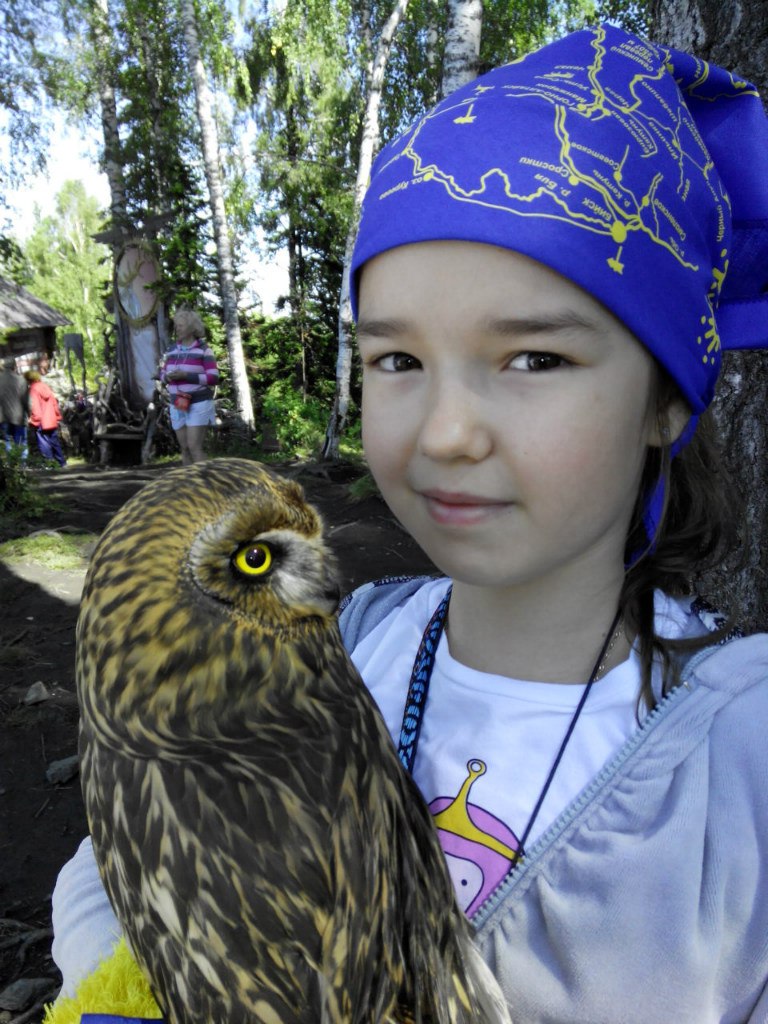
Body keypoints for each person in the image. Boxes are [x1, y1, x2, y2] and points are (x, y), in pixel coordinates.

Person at [51, 23, 768, 1023]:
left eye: (534, 359)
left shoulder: (741, 760)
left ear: (668, 400)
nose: (446, 432)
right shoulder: (337, 642)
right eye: (397, 360)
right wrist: (125, 984)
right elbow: (113, 856)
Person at [159, 308, 219, 464]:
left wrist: (186, 376)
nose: (177, 329)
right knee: (184, 448)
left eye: (181, 326)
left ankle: (205, 479)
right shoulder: (172, 350)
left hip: (199, 403)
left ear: (192, 328)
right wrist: (166, 377)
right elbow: (162, 373)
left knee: (194, 447)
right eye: (176, 326)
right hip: (178, 403)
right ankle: (188, 479)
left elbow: (213, 378)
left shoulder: (204, 350)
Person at [25, 368, 66, 467]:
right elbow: (55, 404)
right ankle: (62, 462)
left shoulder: (33, 389)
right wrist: (57, 416)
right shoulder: (45, 386)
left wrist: (33, 420)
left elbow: (35, 407)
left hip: (41, 422)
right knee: (55, 442)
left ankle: (50, 464)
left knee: (44, 443)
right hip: (51, 420)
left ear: (28, 379)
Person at [0, 356, 29, 461]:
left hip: (3, 417)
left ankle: (11, 464)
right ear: (14, 366)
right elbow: (26, 400)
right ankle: (22, 465)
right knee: (21, 441)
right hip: (18, 416)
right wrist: (30, 413)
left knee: (8, 441)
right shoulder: (21, 380)